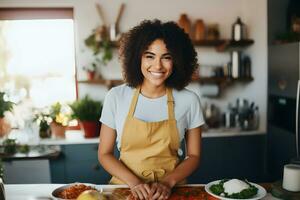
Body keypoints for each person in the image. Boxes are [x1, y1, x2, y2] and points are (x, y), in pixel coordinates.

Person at [98, 19, 205, 200]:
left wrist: (168, 182)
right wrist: (134, 182)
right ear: (136, 58)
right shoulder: (116, 97)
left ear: (178, 60)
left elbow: (193, 155)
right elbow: (104, 154)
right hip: (125, 189)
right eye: (149, 56)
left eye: (167, 57)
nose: (157, 66)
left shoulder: (189, 100)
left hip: (171, 192)